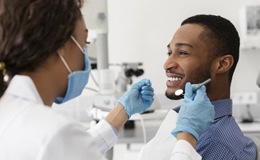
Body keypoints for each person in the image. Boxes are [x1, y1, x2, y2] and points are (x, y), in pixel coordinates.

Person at [0, 0, 214, 160]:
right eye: (85, 43)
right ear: (61, 47)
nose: (85, 54)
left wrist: (122, 111)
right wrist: (187, 137)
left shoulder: (11, 113)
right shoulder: (55, 133)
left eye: (183, 53)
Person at [138, 14, 257, 160]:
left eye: (182, 53)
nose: (167, 64)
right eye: (170, 53)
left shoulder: (216, 144)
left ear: (222, 64)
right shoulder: (184, 120)